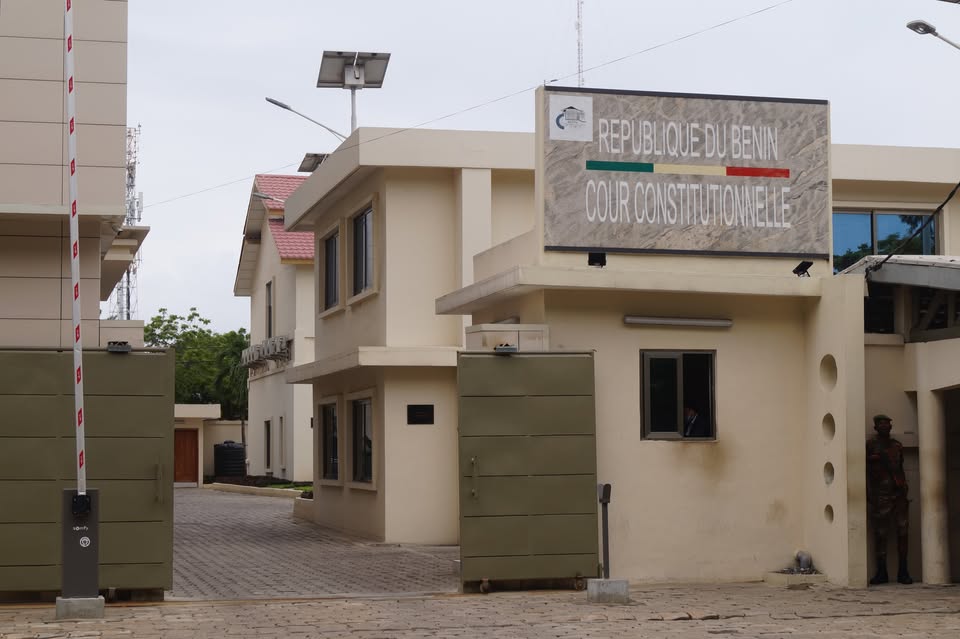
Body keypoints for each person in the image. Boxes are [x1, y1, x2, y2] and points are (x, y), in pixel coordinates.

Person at [866, 414, 913, 585]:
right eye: (881, 424)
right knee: (881, 534)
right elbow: (867, 472)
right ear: (876, 427)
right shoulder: (871, 445)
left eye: (887, 424)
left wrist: (903, 489)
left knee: (903, 532)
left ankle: (903, 571)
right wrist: (870, 495)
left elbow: (900, 469)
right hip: (881, 495)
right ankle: (881, 572)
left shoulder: (897, 446)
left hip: (898, 494)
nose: (885, 426)